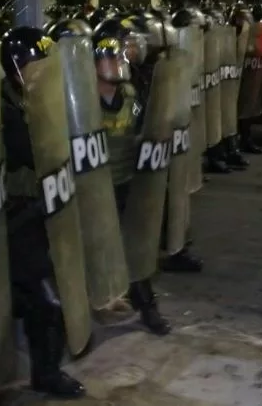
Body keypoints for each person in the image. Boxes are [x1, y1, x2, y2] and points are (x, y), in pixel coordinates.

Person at [0, 26, 86, 397]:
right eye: (40, 65)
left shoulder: (43, 100)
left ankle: (44, 368)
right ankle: (44, 372)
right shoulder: (3, 111)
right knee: (44, 299)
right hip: (14, 220)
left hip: (43, 213)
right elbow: (33, 151)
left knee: (41, 296)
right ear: (19, 69)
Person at [92, 18, 173, 335]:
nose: (118, 63)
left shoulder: (129, 93)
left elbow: (141, 132)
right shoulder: (80, 100)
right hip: (93, 189)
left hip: (125, 182)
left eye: (119, 57)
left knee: (135, 248)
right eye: (110, 57)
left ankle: (147, 307)